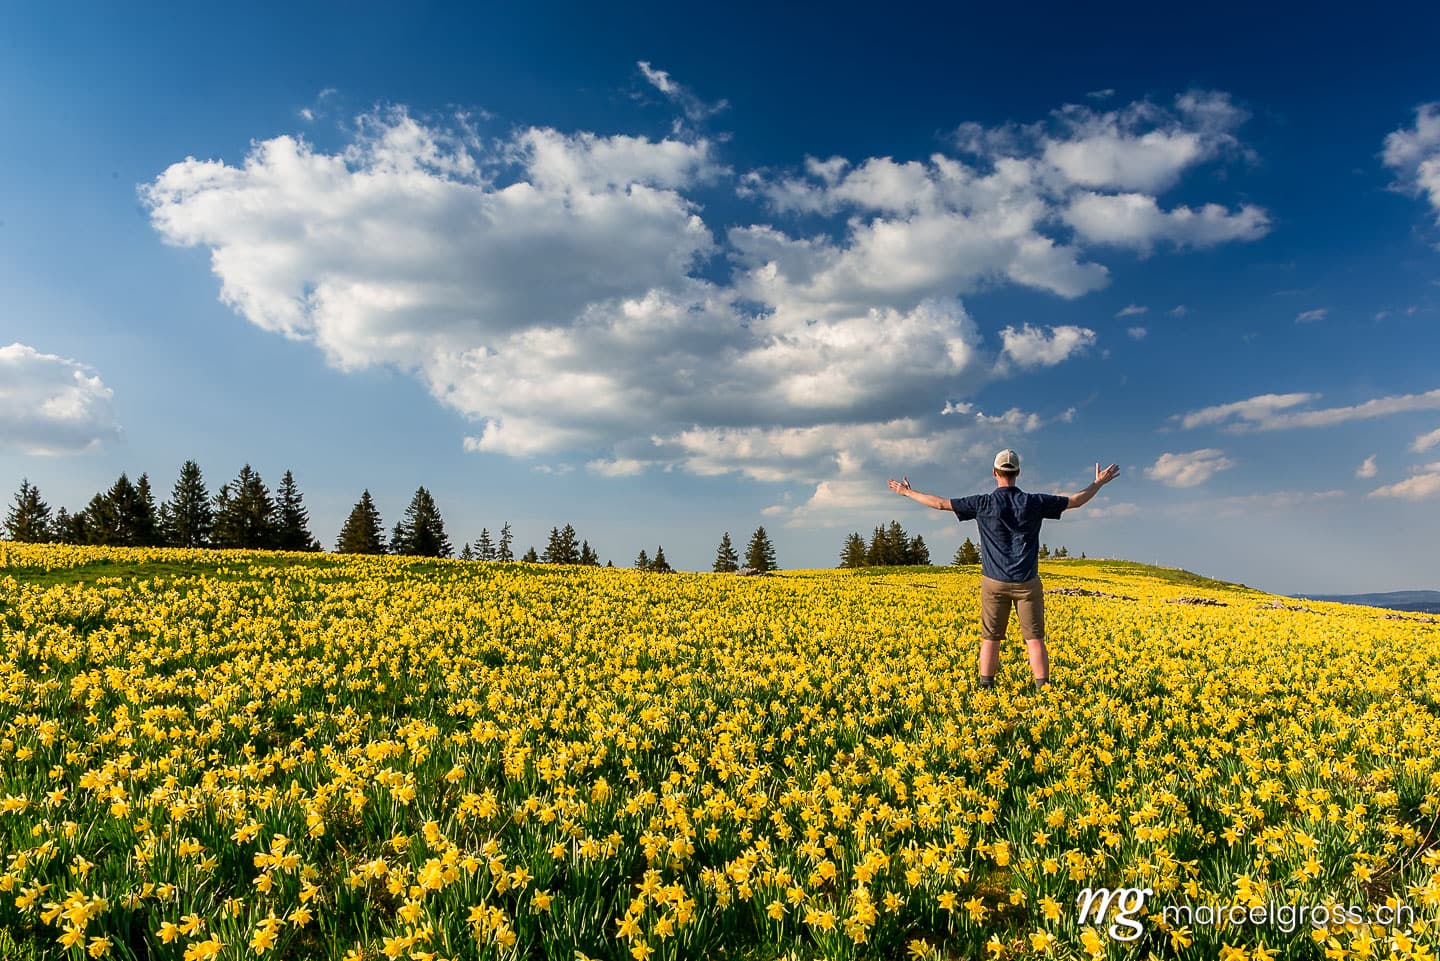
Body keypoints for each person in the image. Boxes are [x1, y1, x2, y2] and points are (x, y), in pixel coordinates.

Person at [887, 450, 1120, 690]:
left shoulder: (982, 503)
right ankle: (1044, 690)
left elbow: (939, 504)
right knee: (1035, 639)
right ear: (1017, 473)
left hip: (994, 582)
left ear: (994, 472)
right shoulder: (1033, 502)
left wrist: (906, 492)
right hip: (1027, 582)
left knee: (990, 639)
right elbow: (1076, 501)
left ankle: (986, 688)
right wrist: (1098, 483)